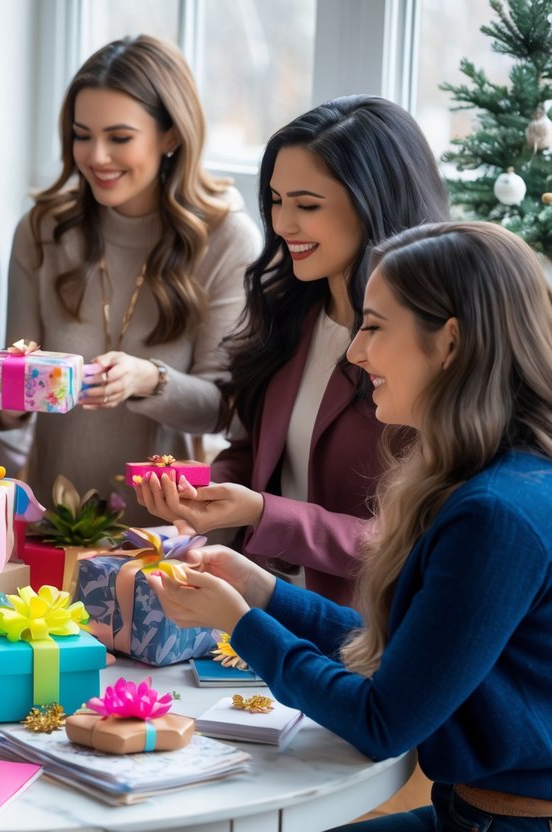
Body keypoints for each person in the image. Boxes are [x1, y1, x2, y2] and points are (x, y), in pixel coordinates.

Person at [150, 221, 552, 829]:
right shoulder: (502, 481)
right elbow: (413, 658)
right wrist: (262, 592)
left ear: (450, 344)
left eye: (374, 327)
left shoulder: (495, 513)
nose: (354, 352)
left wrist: (239, 624)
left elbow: (382, 721)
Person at [137, 96, 449, 601]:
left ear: (374, 204)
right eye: (276, 201)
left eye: (307, 205)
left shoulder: (427, 350)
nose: (282, 224)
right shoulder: (287, 312)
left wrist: (262, 513)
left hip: (362, 631)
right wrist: (200, 497)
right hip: (261, 616)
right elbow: (251, 451)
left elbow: (409, 542)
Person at [0, 35, 260, 524]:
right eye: (81, 134)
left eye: (119, 137)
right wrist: (2, 398)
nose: (96, 156)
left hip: (165, 535)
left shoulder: (226, 240)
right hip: (53, 519)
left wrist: (148, 380)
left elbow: (223, 407)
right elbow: (17, 390)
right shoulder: (42, 230)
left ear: (171, 137)